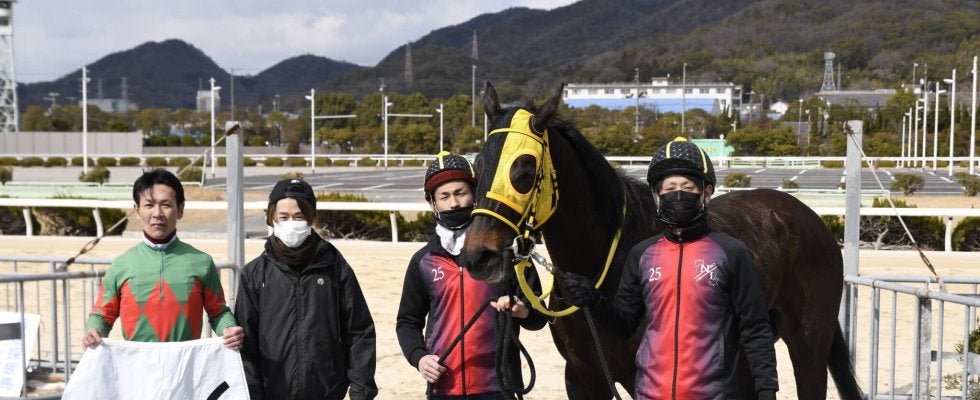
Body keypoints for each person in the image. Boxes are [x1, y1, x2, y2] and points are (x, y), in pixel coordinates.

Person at [563, 137, 779, 400]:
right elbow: (624, 324)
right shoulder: (642, 255)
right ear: (657, 196)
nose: (678, 194)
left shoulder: (732, 253)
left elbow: (756, 330)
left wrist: (767, 391)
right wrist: (594, 300)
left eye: (688, 187)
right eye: (669, 188)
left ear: (706, 193)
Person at [396, 151, 547, 399]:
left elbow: (539, 317)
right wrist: (419, 358)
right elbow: (407, 322)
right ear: (432, 203)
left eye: (461, 193)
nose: (454, 203)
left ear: (475, 194)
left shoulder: (508, 253)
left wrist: (522, 311)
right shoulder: (422, 261)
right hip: (443, 388)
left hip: (500, 387)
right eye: (444, 196)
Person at [235, 178, 378, 400]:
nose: (291, 223)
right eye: (284, 217)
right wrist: (252, 394)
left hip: (327, 392)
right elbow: (245, 345)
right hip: (272, 393)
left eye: (299, 216)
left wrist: (361, 392)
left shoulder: (334, 266)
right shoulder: (254, 274)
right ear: (272, 218)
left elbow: (359, 331)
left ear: (310, 218)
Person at [82, 168, 243, 349]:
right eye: (149, 205)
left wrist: (229, 329)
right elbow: (102, 316)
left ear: (180, 209)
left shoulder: (202, 262)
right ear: (137, 210)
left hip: (186, 363)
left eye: (166, 204)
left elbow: (218, 313)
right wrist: (92, 331)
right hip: (137, 364)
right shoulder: (121, 265)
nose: (157, 213)